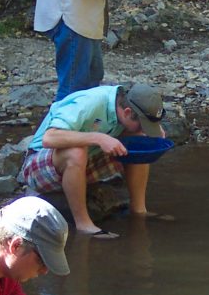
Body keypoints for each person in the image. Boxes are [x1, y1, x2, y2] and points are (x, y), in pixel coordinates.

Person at [19, 82, 167, 238]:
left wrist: (152, 131)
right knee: (76, 151)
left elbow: (138, 133)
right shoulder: (90, 102)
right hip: (39, 167)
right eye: (143, 124)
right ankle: (83, 224)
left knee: (141, 142)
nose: (143, 128)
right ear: (128, 112)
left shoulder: (122, 105)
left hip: (84, 162)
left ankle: (138, 210)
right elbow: (49, 138)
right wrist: (98, 138)